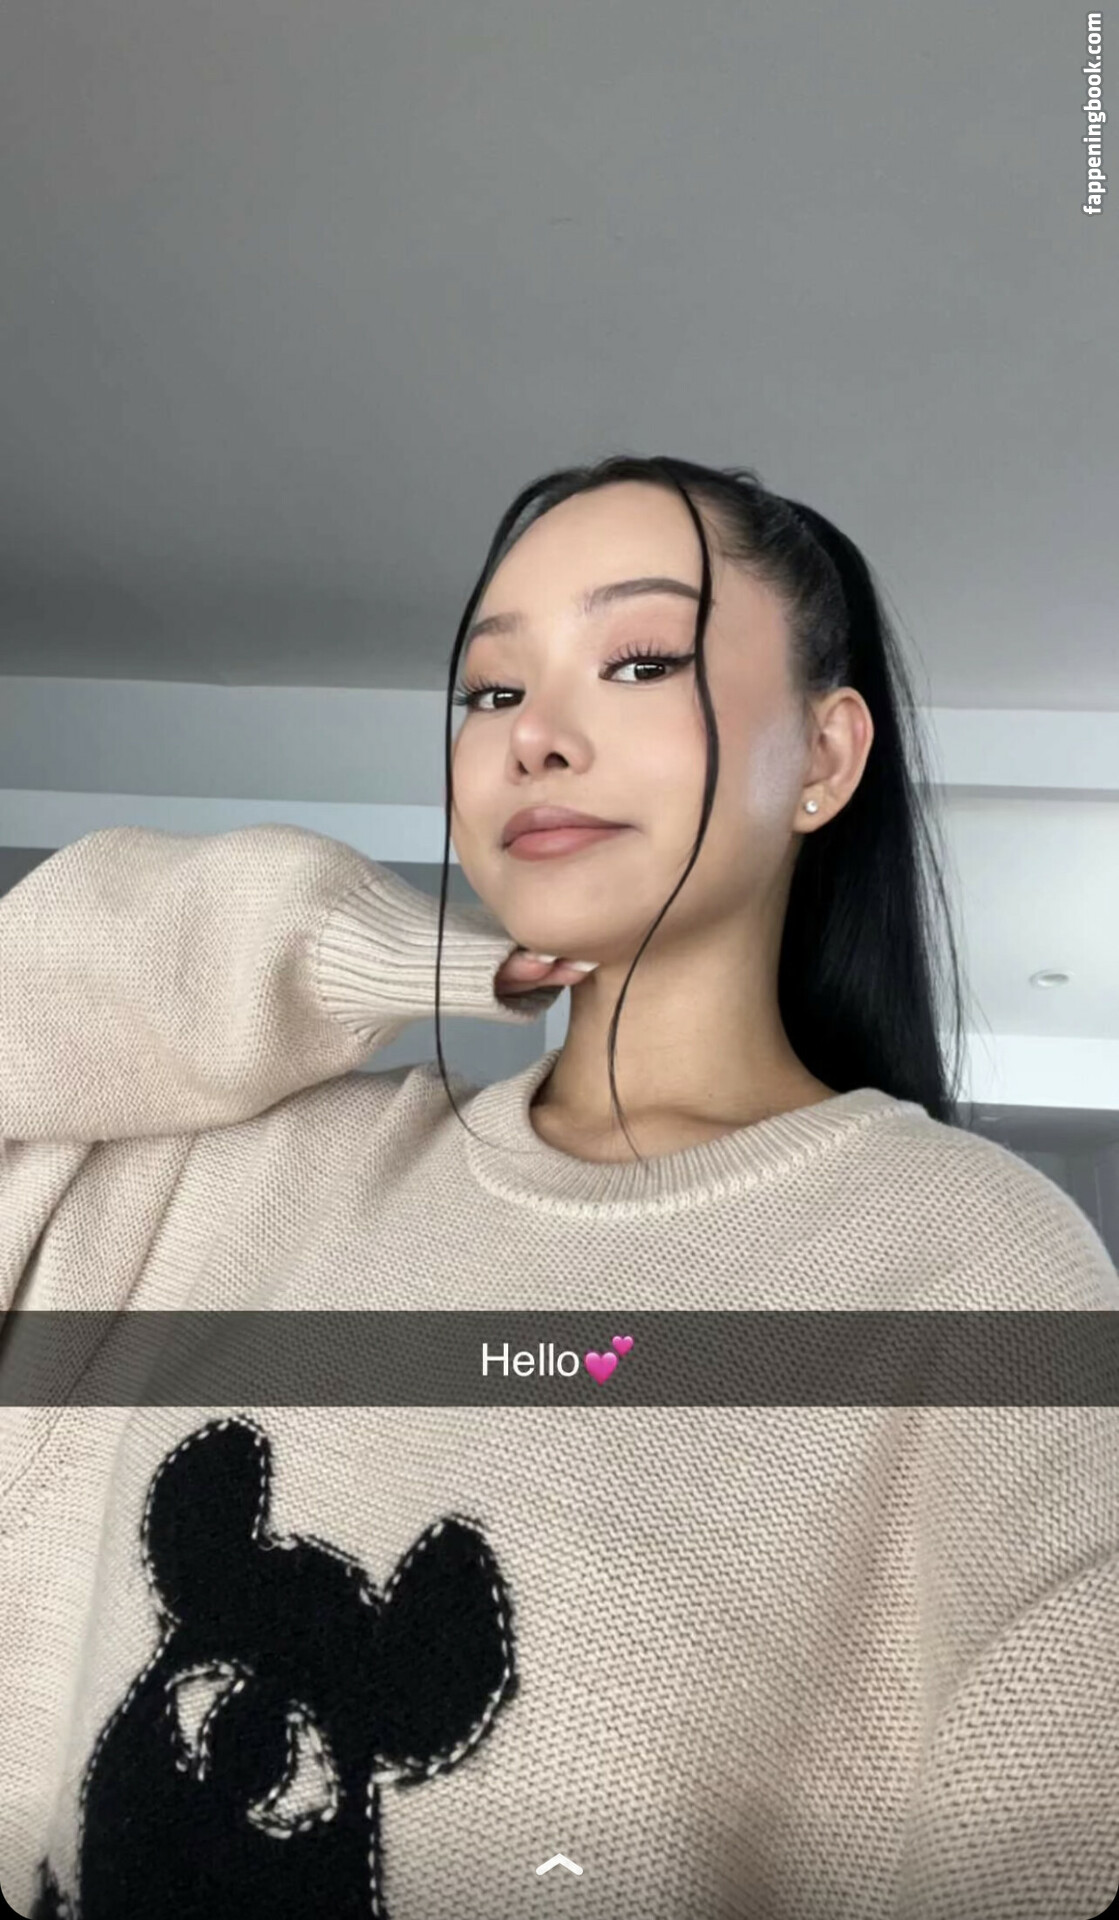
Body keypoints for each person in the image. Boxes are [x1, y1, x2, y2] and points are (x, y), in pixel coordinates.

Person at [0, 455, 1116, 1920]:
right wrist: (414, 959)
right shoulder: (240, 1174)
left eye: (641, 660)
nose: (534, 736)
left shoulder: (975, 1270)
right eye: (489, 690)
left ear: (827, 756)